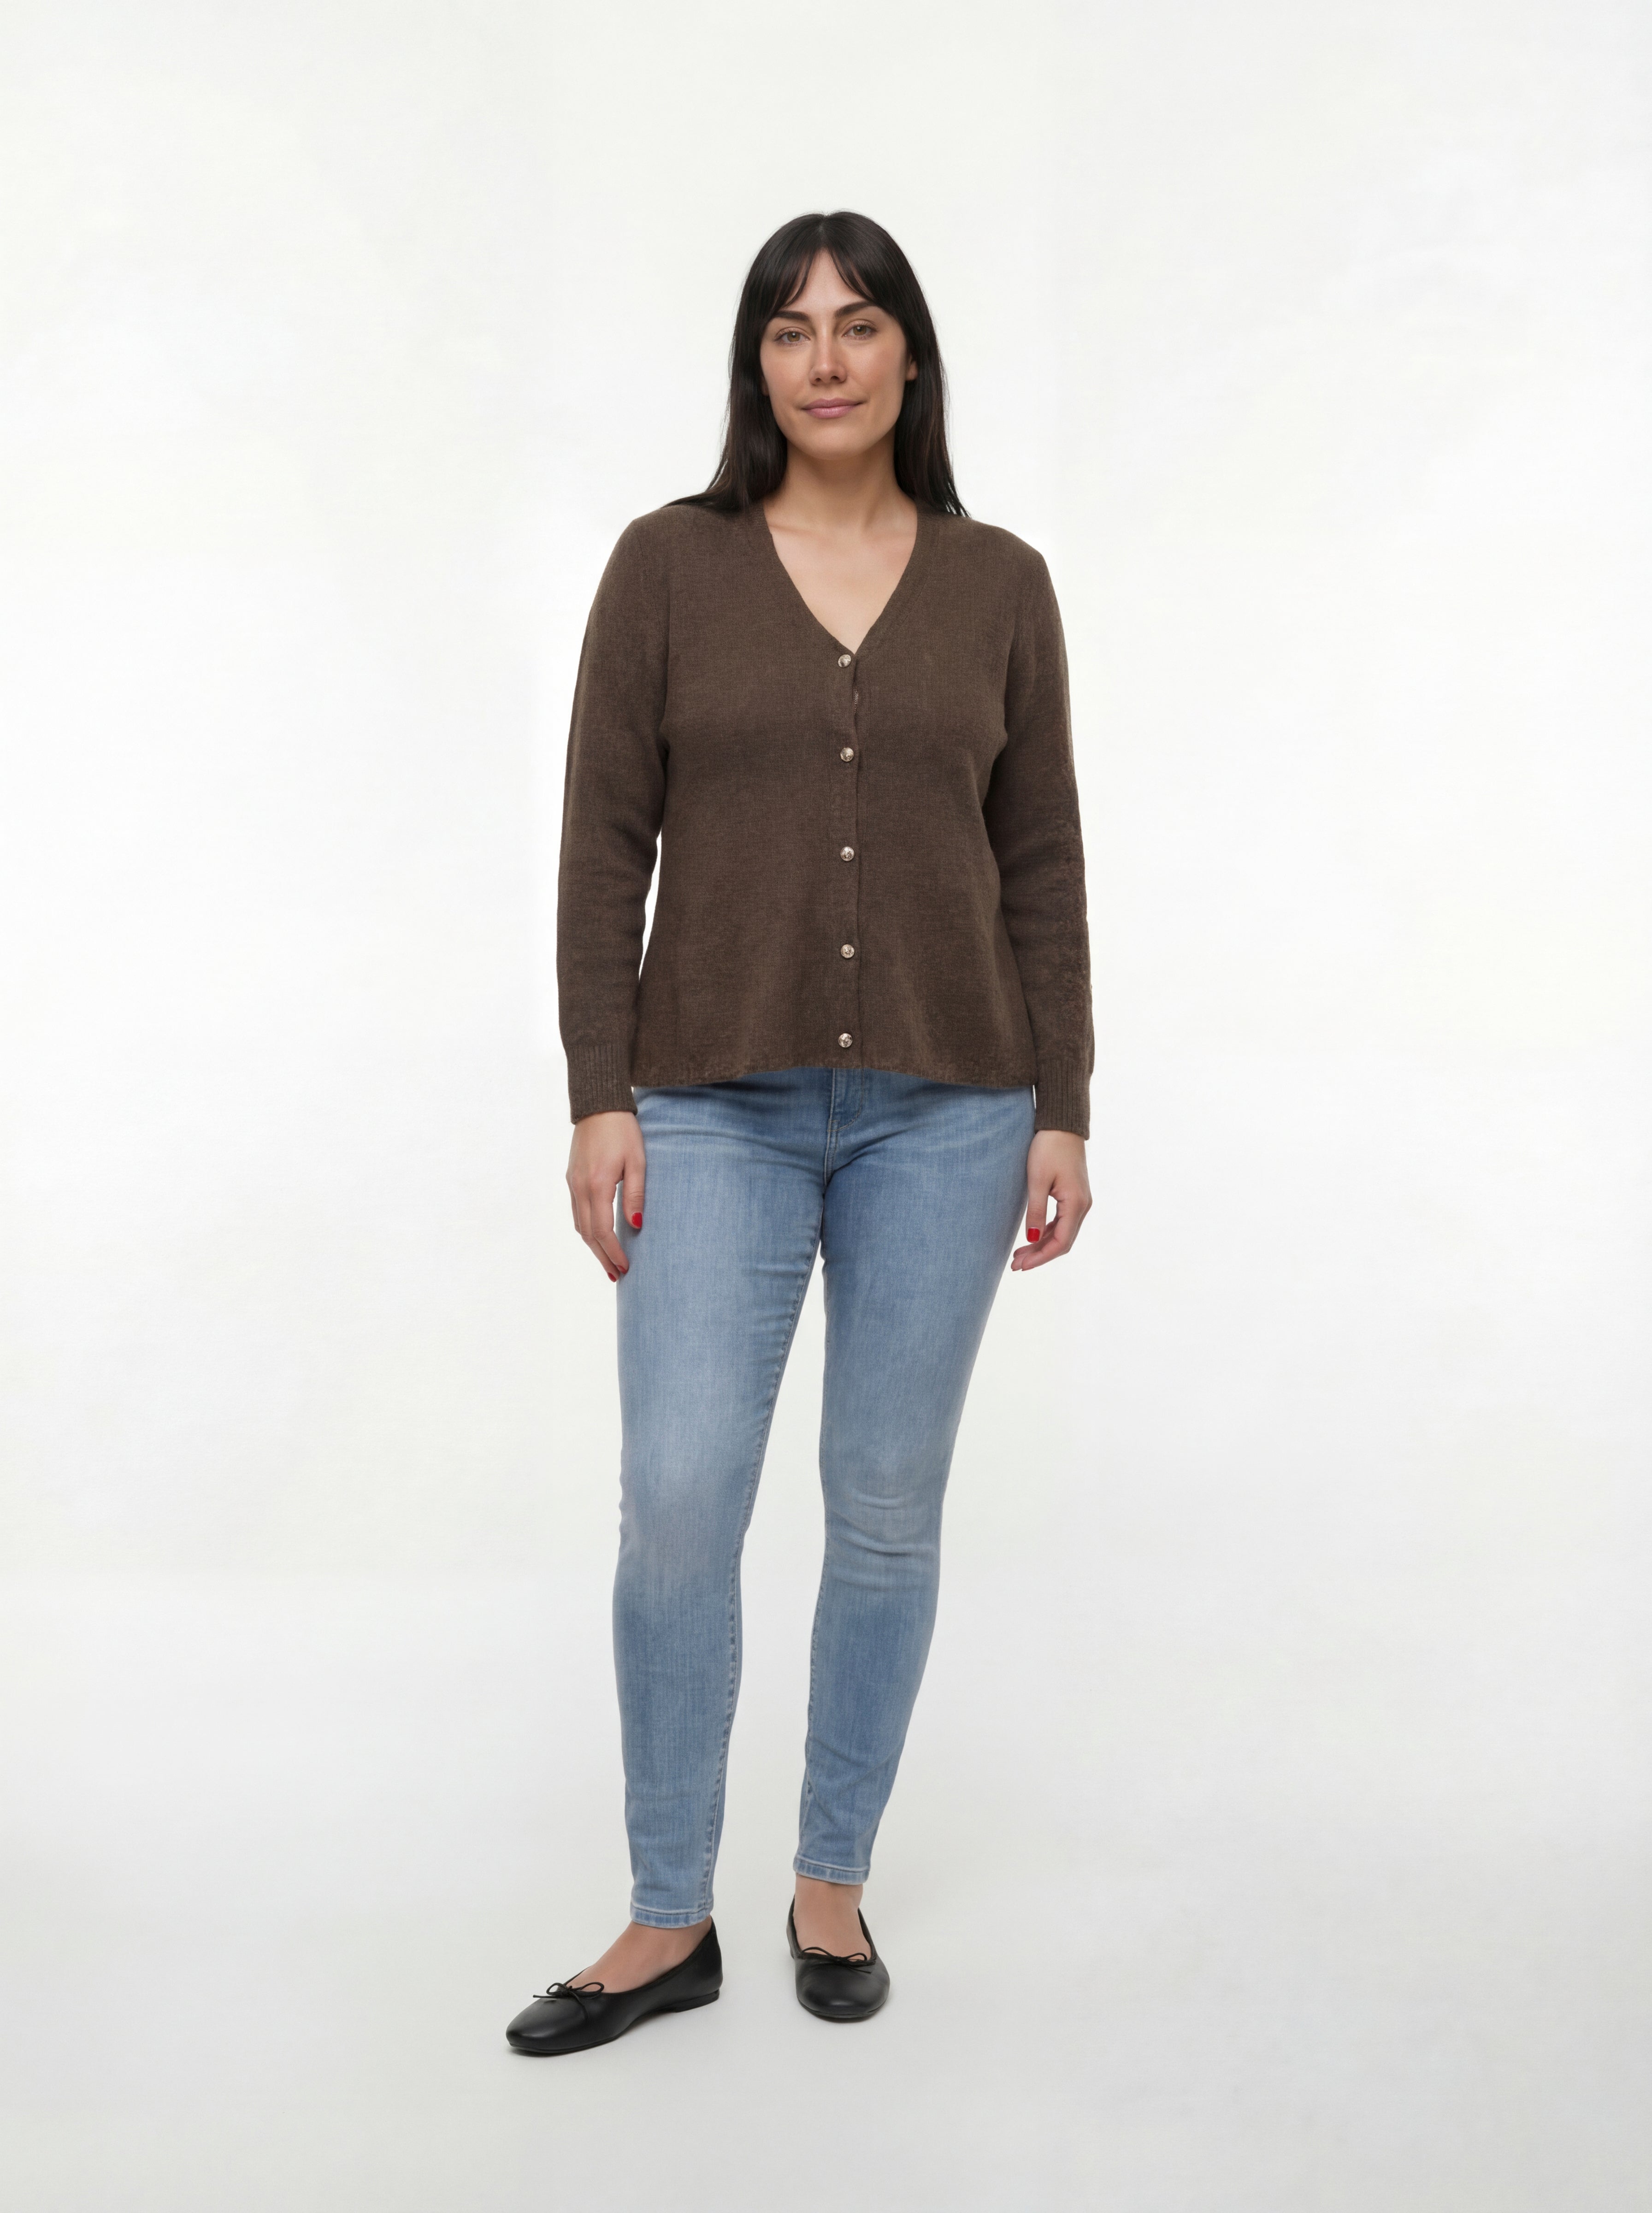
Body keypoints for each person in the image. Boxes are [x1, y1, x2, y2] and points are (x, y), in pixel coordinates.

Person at [506, 211, 1093, 2056]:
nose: (824, 359)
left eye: (857, 324)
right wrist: (600, 1089)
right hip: (708, 1104)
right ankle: (666, 1913)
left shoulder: (1000, 585)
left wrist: (1063, 1105)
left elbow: (1040, 858)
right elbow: (603, 839)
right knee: (681, 1495)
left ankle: (828, 1877)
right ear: (754, 365)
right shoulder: (666, 568)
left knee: (886, 1503)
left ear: (911, 355)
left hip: (952, 1110)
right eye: (788, 330)